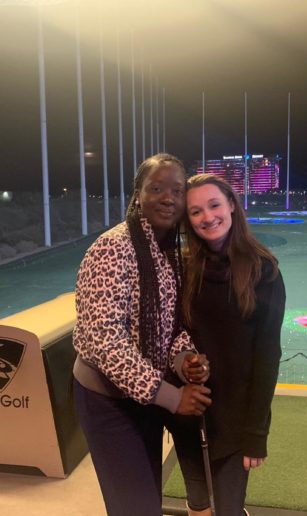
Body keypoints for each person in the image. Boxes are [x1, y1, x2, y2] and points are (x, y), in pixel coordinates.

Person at [72, 154, 211, 516]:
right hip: (108, 401)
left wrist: (185, 361)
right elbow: (106, 342)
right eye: (157, 188)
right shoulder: (112, 248)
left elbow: (172, 326)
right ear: (138, 195)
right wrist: (171, 397)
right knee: (136, 507)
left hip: (141, 400)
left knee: (145, 500)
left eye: (177, 191)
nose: (168, 198)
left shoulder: (169, 253)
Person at [172, 174, 286, 516]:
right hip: (189, 409)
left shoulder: (263, 270)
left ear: (232, 206)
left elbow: (268, 354)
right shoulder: (183, 267)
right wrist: (183, 364)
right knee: (198, 503)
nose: (207, 217)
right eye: (195, 211)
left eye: (214, 205)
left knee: (229, 507)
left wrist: (256, 433)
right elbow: (174, 335)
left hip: (236, 418)